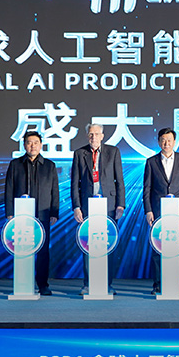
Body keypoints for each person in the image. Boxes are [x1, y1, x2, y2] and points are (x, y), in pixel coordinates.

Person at [70, 123, 125, 295]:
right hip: (87, 206)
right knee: (88, 245)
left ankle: (107, 283)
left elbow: (119, 181)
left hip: (109, 206)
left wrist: (120, 205)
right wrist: (76, 206)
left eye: (96, 134)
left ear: (102, 136)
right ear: (87, 136)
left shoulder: (113, 152)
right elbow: (75, 183)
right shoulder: (80, 153)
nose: (93, 137)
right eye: (90, 134)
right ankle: (88, 284)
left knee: (107, 245)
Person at [5, 131, 60, 296]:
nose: (32, 146)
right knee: (22, 248)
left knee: (43, 250)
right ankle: (23, 282)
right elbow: (9, 189)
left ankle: (43, 284)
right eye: (29, 142)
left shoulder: (49, 165)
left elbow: (54, 191)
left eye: (36, 142)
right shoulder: (15, 164)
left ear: (41, 145)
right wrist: (10, 212)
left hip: (43, 213)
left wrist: (54, 212)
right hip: (21, 215)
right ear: (24, 145)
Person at [143, 127, 179, 295]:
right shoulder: (151, 162)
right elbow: (147, 188)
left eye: (169, 140)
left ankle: (176, 283)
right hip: (158, 211)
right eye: (163, 140)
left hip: (177, 210)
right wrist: (148, 210)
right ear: (158, 142)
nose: (166, 143)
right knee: (158, 248)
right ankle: (158, 284)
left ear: (174, 142)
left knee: (176, 247)